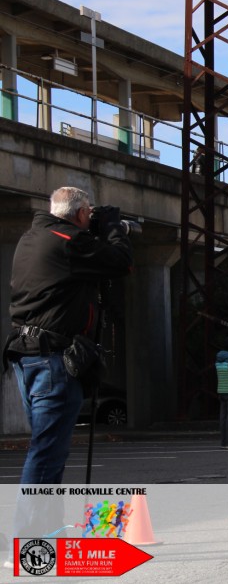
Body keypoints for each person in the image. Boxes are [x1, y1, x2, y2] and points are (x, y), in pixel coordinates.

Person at [3, 187, 132, 549]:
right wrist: (113, 229)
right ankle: (28, 538)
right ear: (79, 214)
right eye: (89, 214)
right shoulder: (69, 242)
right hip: (53, 359)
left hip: (28, 355)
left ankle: (47, 531)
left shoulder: (31, 238)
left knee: (50, 448)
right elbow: (121, 262)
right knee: (47, 451)